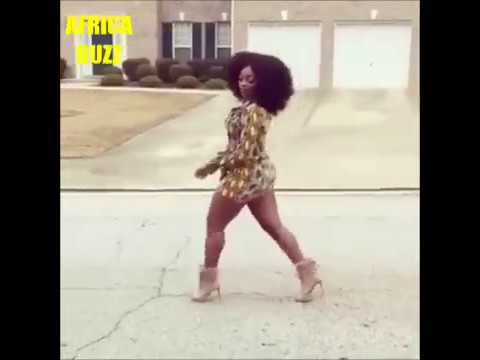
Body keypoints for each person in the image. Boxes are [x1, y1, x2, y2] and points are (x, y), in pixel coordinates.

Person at [193, 51, 323, 303]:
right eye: (241, 78)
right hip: (259, 176)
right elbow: (238, 146)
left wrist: (222, 164)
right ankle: (307, 272)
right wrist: (213, 164)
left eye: (250, 80)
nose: (243, 84)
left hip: (242, 178)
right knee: (273, 226)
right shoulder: (251, 108)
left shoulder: (254, 112)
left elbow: (245, 150)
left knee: (214, 226)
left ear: (264, 83)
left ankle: (208, 282)